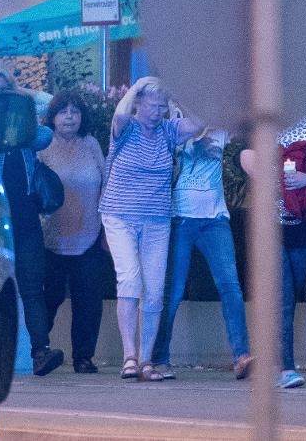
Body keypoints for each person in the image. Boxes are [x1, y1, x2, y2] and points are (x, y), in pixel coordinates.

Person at [98, 77, 201, 383]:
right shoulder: (125, 127)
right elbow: (118, 115)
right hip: (119, 215)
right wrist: (137, 86)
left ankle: (146, 360)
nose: (157, 112)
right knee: (130, 278)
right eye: (151, 105)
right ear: (138, 104)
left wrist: (176, 100)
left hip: (156, 219)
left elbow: (197, 125)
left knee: (155, 290)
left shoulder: (169, 131)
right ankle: (129, 356)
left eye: (161, 106)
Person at [241, 111, 306, 389]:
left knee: (290, 293)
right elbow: (245, 155)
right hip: (270, 226)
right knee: (283, 296)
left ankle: (272, 359)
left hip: (304, 222)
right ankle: (284, 367)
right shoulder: (263, 121)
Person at [152, 127, 253, 381]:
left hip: (215, 219)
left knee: (230, 286)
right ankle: (160, 358)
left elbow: (246, 128)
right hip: (181, 218)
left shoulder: (221, 128)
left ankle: (242, 356)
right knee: (172, 291)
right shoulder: (175, 126)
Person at [0, 81, 62, 376]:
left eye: (4, 88)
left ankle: (41, 351)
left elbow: (47, 133)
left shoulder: (27, 134)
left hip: (26, 224)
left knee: (31, 289)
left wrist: (24, 99)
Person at [39, 90, 107, 374]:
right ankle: (39, 351)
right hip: (50, 239)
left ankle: (83, 357)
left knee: (89, 302)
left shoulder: (91, 144)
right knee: (48, 299)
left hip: (89, 237)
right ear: (53, 117)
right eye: (63, 111)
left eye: (75, 111)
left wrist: (106, 230)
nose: (69, 117)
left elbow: (106, 185)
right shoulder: (42, 145)